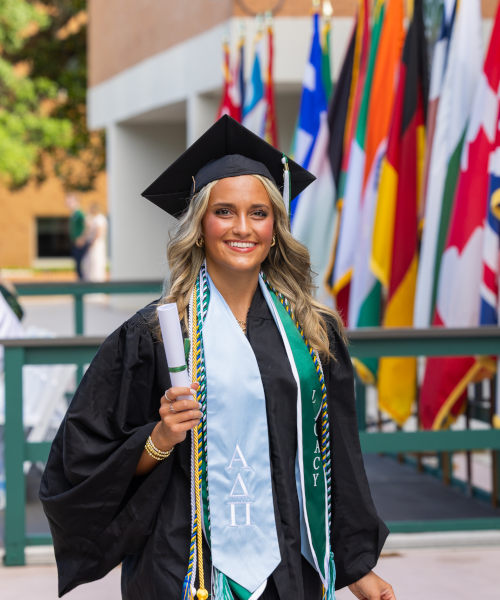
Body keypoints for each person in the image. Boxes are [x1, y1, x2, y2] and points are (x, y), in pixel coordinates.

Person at [40, 116, 395, 600]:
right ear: (200, 225)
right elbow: (82, 460)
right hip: (186, 568)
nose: (243, 227)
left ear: (276, 227)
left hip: (291, 565)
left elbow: (337, 457)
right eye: (224, 211)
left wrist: (356, 567)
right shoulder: (154, 335)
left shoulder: (313, 332)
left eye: (259, 212)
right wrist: (160, 437)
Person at [82, 203, 108, 282]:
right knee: (89, 265)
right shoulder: (94, 219)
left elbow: (99, 233)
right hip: (93, 245)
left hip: (96, 246)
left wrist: (92, 244)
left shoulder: (99, 219)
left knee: (96, 265)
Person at [66, 193, 89, 280]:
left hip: (80, 244)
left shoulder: (79, 213)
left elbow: (87, 225)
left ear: (76, 202)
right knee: (77, 267)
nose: (68, 203)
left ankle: (82, 289)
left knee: (81, 267)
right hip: (74, 243)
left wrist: (82, 238)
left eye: (70, 201)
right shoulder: (73, 214)